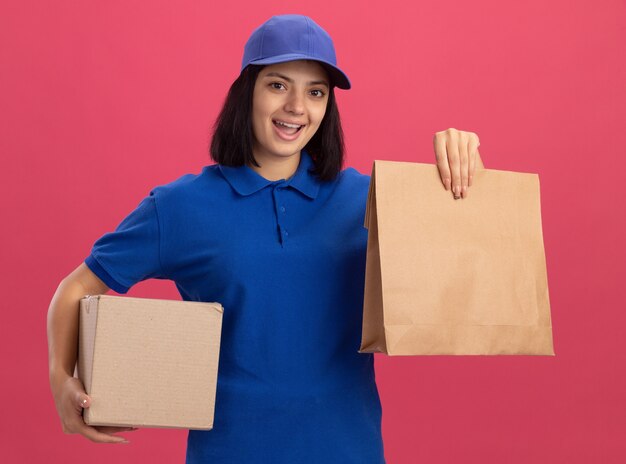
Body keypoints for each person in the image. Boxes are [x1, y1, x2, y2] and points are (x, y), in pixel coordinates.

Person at [47, 14, 484, 464]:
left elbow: (462, 263)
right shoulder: (181, 207)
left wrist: (460, 160)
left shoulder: (366, 199)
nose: (297, 106)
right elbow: (77, 287)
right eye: (278, 85)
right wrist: (62, 379)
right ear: (247, 93)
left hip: (349, 451)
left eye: (315, 92)